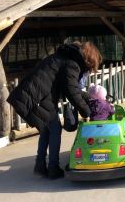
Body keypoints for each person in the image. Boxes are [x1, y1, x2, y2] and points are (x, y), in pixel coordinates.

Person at [7, 41, 102, 179]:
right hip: (36, 97)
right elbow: (71, 91)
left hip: (33, 96)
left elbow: (71, 88)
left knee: (46, 129)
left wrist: (90, 99)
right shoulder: (72, 64)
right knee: (55, 130)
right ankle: (53, 169)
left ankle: (40, 166)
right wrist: (87, 111)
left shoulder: (64, 58)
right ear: (88, 59)